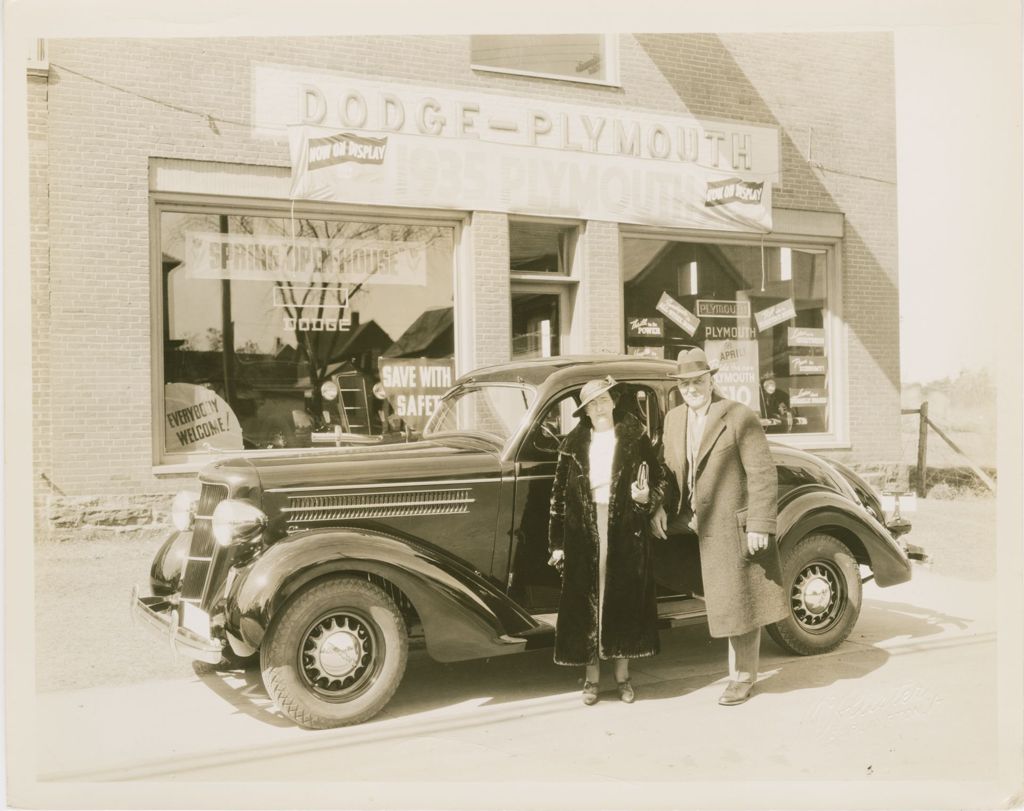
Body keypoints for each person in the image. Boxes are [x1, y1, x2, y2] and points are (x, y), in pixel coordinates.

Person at [651, 348, 788, 706]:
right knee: (640, 548)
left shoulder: (738, 416)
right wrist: (658, 509)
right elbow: (668, 470)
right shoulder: (674, 419)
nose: (692, 388)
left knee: (738, 595)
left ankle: (741, 678)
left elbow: (762, 473)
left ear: (711, 380)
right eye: (685, 383)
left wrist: (759, 524)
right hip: (688, 517)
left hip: (728, 520)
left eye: (698, 381)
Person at [547, 376, 663, 705]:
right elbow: (556, 499)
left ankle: (623, 678)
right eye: (591, 404)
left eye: (603, 400)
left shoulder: (634, 436)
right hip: (583, 530)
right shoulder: (571, 445)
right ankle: (591, 680)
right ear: (585, 412)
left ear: (613, 401)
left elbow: (658, 476)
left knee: (620, 598)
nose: (599, 408)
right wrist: (557, 543)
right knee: (588, 603)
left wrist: (646, 499)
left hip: (626, 529)